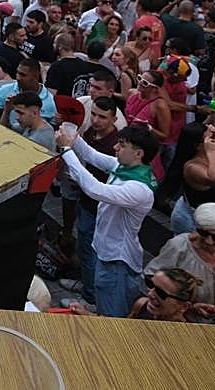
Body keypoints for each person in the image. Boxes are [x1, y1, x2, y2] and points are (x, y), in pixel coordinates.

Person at [55, 123, 160, 318]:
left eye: (121, 144)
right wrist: (72, 137)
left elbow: (95, 189)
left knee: (113, 314)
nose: (115, 148)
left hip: (117, 260)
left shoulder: (139, 189)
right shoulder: (124, 167)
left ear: (138, 154)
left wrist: (66, 150)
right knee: (103, 294)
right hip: (107, 250)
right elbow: (92, 156)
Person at [66, 97, 124, 306]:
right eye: (94, 114)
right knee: (84, 246)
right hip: (85, 200)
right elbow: (88, 155)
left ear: (114, 119)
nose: (96, 120)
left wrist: (67, 150)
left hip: (97, 206)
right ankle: (86, 283)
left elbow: (96, 184)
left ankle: (89, 295)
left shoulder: (114, 146)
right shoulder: (91, 132)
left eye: (103, 117)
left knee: (90, 251)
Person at [146, 203, 215, 323]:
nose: (209, 241)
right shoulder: (179, 247)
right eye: (203, 233)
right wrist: (188, 308)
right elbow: (151, 282)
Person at [159, 124, 215, 236]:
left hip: (214, 217)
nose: (214, 142)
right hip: (195, 222)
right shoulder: (192, 167)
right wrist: (211, 152)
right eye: (210, 139)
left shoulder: (211, 157)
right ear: (198, 145)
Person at [0, 58, 58, 122]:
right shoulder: (5, 90)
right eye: (17, 73)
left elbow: (51, 128)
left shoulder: (49, 102)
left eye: (23, 75)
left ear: (36, 76)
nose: (18, 77)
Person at [127, 268, 201, 322]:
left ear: (184, 306)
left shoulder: (185, 335)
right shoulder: (141, 304)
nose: (150, 294)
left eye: (161, 293)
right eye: (150, 284)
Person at [46, 33, 99, 98]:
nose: (53, 45)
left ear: (60, 46)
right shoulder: (83, 64)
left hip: (62, 105)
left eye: (54, 43)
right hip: (79, 104)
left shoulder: (57, 67)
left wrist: (43, 73)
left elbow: (50, 94)